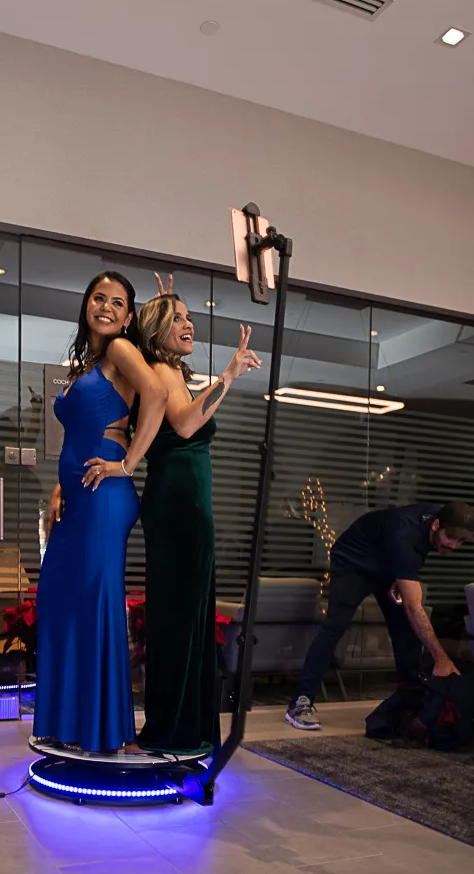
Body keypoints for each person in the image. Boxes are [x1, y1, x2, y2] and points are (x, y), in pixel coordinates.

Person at [33, 271, 167, 754]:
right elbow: (83, 434)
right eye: (98, 298)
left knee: (93, 605)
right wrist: (59, 486)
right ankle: (69, 723)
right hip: (79, 497)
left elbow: (157, 395)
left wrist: (127, 465)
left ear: (128, 317)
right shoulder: (88, 361)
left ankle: (103, 729)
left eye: (117, 302)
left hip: (105, 498)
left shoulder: (119, 350)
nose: (105, 307)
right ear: (86, 304)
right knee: (60, 600)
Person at [136, 287, 261, 753]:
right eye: (177, 318)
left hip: (187, 504)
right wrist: (229, 374)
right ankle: (172, 730)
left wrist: (166, 303)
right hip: (177, 506)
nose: (189, 325)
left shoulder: (172, 373)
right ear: (156, 330)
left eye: (189, 317)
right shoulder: (160, 370)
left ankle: (186, 728)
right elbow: (186, 424)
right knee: (178, 617)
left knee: (188, 616)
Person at [285, 501, 474, 731]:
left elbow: (406, 558)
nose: (453, 545)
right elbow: (414, 606)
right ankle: (301, 702)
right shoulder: (406, 532)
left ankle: (411, 702)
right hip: (353, 562)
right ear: (436, 525)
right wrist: (441, 658)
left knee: (407, 633)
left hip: (387, 564)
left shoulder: (444, 516)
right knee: (335, 627)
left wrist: (398, 574)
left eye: (461, 541)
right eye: (450, 537)